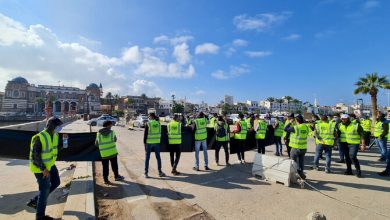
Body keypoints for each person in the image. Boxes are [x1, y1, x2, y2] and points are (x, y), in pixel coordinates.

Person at [27, 117, 63, 220]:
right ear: (52, 125)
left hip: (50, 165)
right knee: (44, 191)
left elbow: (54, 149)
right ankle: (40, 216)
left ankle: (35, 201)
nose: (59, 128)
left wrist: (64, 143)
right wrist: (44, 169)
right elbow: (35, 156)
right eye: (58, 126)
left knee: (56, 182)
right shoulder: (39, 137)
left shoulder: (55, 135)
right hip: (40, 169)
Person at [284, 115, 309, 179]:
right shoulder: (306, 127)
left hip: (296, 148)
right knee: (301, 162)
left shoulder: (296, 128)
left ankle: (296, 174)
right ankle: (301, 173)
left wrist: (290, 122)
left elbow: (285, 129)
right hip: (303, 148)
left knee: (293, 162)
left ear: (296, 121)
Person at [143, 113, 165, 178]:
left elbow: (145, 134)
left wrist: (144, 143)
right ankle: (160, 172)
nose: (148, 117)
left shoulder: (148, 123)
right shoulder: (158, 123)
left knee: (147, 158)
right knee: (158, 157)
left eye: (148, 116)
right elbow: (161, 133)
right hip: (156, 143)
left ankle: (146, 173)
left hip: (149, 143)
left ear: (150, 116)